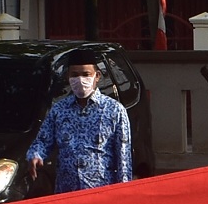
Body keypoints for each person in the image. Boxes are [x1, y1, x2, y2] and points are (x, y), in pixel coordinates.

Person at [25, 54, 133, 193]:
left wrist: (124, 192)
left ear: (97, 76)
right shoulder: (59, 110)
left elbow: (123, 157)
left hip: (101, 190)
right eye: (75, 75)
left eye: (86, 74)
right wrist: (35, 155)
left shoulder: (114, 110)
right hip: (67, 191)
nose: (80, 80)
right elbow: (43, 140)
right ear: (68, 77)